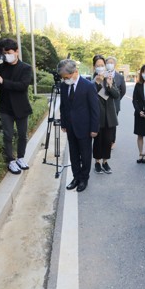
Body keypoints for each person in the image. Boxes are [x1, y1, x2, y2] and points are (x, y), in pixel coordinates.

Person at [0, 38, 32, 174]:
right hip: (6, 107)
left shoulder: (26, 68)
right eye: (5, 53)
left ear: (17, 51)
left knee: (22, 135)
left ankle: (21, 158)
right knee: (8, 135)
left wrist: (3, 81)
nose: (7, 56)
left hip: (21, 107)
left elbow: (22, 86)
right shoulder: (2, 66)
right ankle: (11, 160)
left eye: (9, 52)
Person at [58, 59, 100, 192]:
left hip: (85, 127)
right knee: (73, 153)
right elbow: (64, 106)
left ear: (75, 72)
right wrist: (63, 123)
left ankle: (84, 179)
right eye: (63, 78)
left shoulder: (87, 86)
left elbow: (95, 109)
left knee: (85, 154)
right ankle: (76, 177)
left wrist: (94, 128)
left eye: (67, 77)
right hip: (70, 127)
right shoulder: (64, 86)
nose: (65, 80)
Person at [92, 55, 119, 174]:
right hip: (98, 116)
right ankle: (97, 162)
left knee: (108, 141)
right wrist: (98, 84)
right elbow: (93, 97)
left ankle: (105, 162)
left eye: (102, 65)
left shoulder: (109, 78)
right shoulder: (91, 82)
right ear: (94, 67)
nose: (100, 67)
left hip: (110, 116)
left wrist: (109, 85)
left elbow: (116, 95)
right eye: (98, 65)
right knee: (98, 141)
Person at [105, 56, 126, 148]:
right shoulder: (101, 74)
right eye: (108, 63)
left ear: (115, 64)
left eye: (111, 63)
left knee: (112, 124)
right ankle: (104, 140)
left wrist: (116, 99)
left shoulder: (120, 77)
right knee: (103, 122)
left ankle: (112, 141)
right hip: (103, 103)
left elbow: (123, 91)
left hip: (114, 104)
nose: (109, 64)